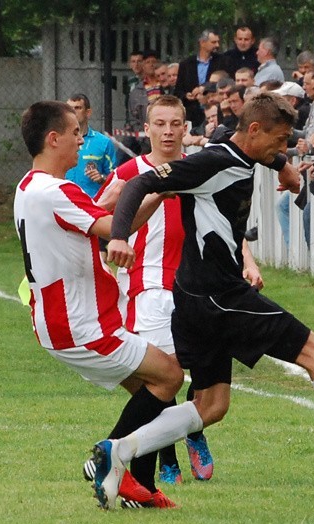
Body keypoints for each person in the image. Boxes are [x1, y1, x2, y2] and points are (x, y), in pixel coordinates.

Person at [96, 92, 314, 510]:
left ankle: (119, 452)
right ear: (255, 131)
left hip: (195, 297)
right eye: (279, 141)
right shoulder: (214, 162)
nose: (283, 147)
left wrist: (286, 165)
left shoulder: (238, 141)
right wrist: (117, 235)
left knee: (212, 405)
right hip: (218, 296)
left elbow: (247, 141)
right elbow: (142, 182)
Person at [15, 100, 181, 509]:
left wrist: (136, 199)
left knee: (150, 392)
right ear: (53, 139)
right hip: (80, 324)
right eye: (75, 133)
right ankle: (113, 457)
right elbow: (112, 228)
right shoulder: (58, 190)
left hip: (63, 322)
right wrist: (154, 190)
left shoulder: (28, 187)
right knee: (170, 377)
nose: (80, 141)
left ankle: (138, 487)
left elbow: (90, 217)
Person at [93, 95, 213, 485]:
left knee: (203, 366)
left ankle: (190, 428)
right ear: (147, 129)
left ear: (185, 128)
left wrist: (246, 259)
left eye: (174, 123)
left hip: (198, 282)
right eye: (159, 123)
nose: (167, 131)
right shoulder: (130, 172)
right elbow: (101, 219)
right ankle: (170, 457)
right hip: (149, 287)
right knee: (163, 375)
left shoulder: (201, 169)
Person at [64, 93, 117, 198]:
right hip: (65, 203)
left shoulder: (103, 142)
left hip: (92, 204)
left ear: (88, 113)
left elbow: (115, 180)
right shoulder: (59, 140)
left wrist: (101, 178)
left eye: (77, 108)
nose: (73, 112)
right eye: (69, 109)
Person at [173, 29, 230, 127]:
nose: (217, 45)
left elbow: (225, 82)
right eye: (213, 42)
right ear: (202, 43)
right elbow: (178, 91)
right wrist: (186, 96)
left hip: (215, 111)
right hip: (192, 114)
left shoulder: (223, 61)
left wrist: (204, 88)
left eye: (218, 42)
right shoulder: (186, 64)